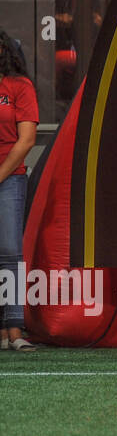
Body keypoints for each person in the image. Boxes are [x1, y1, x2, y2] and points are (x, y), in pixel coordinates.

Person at [0, 32, 37, 352]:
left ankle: (15, 329)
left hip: (10, 178)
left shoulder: (19, 87)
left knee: (10, 251)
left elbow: (26, 140)